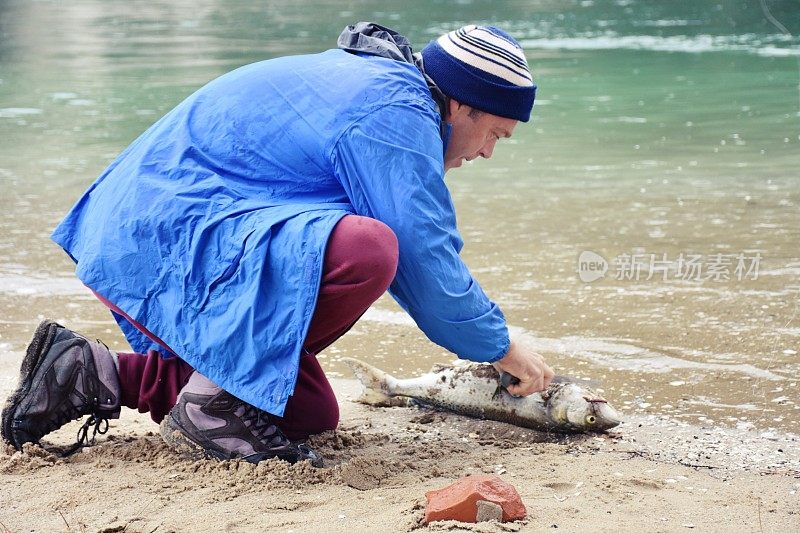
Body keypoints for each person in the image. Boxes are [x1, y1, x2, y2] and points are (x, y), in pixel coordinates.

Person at [1, 22, 554, 466]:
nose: (487, 153)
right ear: (461, 106)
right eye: (496, 134)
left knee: (306, 412)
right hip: (160, 250)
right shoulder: (396, 111)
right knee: (372, 250)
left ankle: (89, 371)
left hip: (145, 243)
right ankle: (212, 399)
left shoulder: (384, 90)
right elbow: (421, 253)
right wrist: (499, 344)